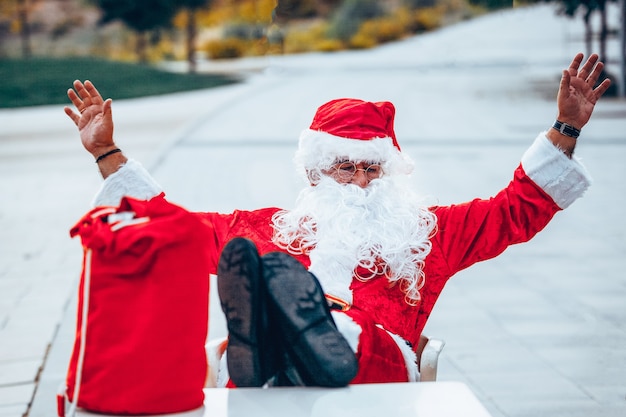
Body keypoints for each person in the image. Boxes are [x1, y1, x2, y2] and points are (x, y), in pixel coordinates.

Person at [65, 53, 611, 388]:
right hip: (269, 376)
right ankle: (276, 336)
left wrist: (566, 126)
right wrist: (107, 152)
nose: (361, 181)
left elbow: (515, 211)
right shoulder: (262, 229)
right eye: (344, 168)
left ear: (391, 171)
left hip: (377, 360)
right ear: (316, 176)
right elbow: (172, 230)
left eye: (372, 167)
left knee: (344, 335)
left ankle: (288, 332)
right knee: (261, 301)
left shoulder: (428, 233)